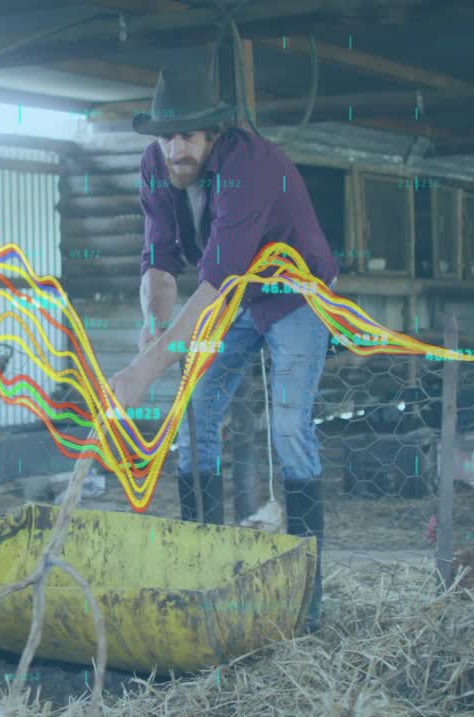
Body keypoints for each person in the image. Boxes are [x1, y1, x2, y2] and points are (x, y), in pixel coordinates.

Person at [106, 53, 339, 632]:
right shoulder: (157, 164)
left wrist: (145, 370)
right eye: (165, 137)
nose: (174, 149)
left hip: (293, 292)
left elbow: (215, 279)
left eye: (186, 136)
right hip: (231, 292)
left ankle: (306, 595)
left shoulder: (251, 167)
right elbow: (159, 260)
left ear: (214, 132)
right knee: (194, 413)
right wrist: (155, 327)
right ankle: (199, 573)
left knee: (287, 424)